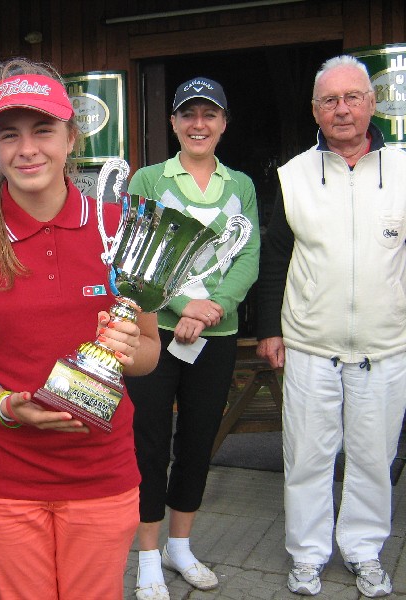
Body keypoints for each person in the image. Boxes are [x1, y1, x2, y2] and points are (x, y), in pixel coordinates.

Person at [0, 58, 161, 600]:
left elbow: (150, 353)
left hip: (101, 472)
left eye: (43, 130)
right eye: (8, 134)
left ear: (71, 138)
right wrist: (4, 404)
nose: (27, 149)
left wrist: (128, 347)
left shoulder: (123, 225)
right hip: (6, 474)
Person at [256, 55, 406, 598]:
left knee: (373, 458)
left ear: (371, 103)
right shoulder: (295, 175)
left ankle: (364, 550)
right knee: (307, 456)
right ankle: (307, 554)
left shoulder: (403, 170)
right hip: (310, 344)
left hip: (385, 346)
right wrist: (270, 328)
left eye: (352, 97)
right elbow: (275, 258)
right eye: (330, 100)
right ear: (316, 110)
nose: (342, 109)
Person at [124, 77, 260, 600]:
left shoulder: (240, 185)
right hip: (154, 332)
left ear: (223, 123)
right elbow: (136, 252)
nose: (198, 124)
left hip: (216, 335)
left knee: (199, 440)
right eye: (188, 115)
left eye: (209, 115)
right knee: (149, 441)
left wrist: (213, 309)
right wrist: (182, 306)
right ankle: (147, 556)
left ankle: (179, 547)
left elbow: (248, 256)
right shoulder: (150, 179)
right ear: (174, 123)